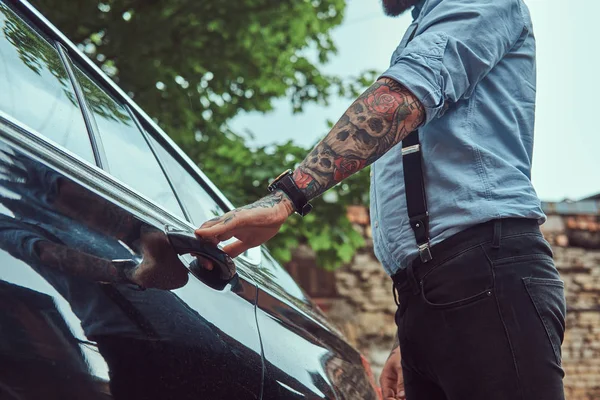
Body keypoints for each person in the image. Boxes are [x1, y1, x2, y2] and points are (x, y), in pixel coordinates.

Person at [195, 0, 566, 399]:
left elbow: (400, 100)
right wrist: (412, 326)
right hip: (429, 295)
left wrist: (288, 194)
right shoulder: (423, 27)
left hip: (487, 279)